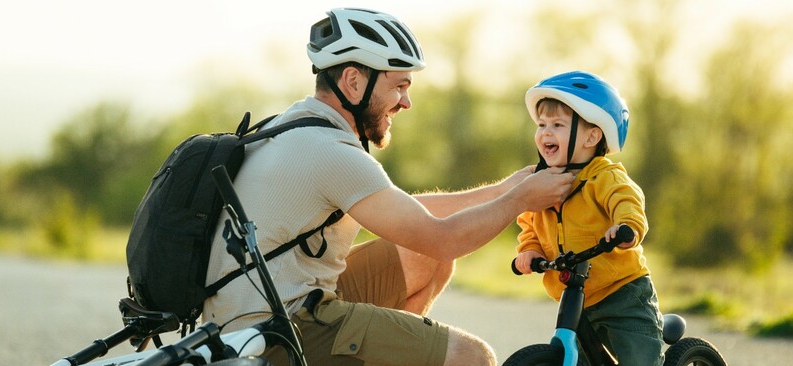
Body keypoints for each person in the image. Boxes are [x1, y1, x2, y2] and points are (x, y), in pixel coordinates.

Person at [202, 7, 575, 366]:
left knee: (427, 258)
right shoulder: (330, 151)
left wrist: (502, 190)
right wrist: (520, 200)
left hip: (246, 319)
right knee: (472, 357)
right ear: (353, 81)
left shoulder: (294, 126)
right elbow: (442, 237)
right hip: (277, 332)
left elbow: (409, 217)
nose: (406, 102)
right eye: (400, 86)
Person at [512, 70, 665, 365]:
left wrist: (626, 227)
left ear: (592, 136)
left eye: (557, 124)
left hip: (623, 293)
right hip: (574, 298)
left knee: (640, 360)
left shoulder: (604, 177)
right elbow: (529, 224)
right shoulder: (542, 183)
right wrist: (529, 251)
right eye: (542, 124)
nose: (545, 131)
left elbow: (627, 202)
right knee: (576, 357)